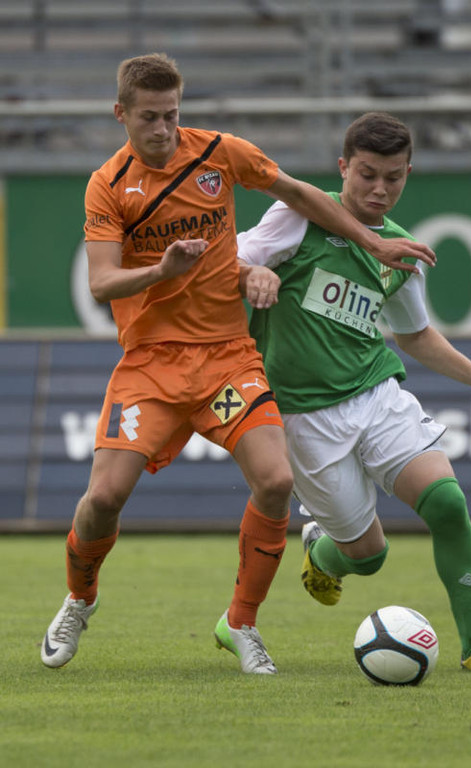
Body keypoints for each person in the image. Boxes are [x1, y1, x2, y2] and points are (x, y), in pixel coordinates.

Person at [40, 58, 436, 675]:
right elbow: (101, 283)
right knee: (104, 497)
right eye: (149, 118)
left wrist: (374, 240)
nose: (163, 129)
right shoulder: (107, 186)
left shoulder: (219, 153)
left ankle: (242, 623)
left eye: (172, 115)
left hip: (227, 359)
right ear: (121, 114)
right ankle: (80, 598)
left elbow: (299, 194)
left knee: (275, 481)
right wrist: (162, 270)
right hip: (151, 366)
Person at [237, 111, 471, 674]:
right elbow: (229, 258)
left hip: (375, 393)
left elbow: (415, 335)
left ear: (408, 174)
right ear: (343, 168)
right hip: (303, 416)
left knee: (447, 502)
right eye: (367, 174)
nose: (379, 189)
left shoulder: (398, 250)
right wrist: (252, 274)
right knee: (369, 556)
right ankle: (324, 553)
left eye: (393, 177)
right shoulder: (298, 217)